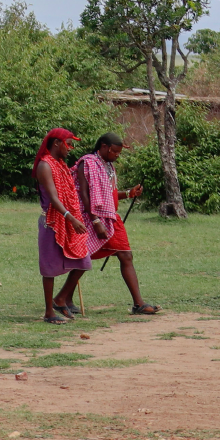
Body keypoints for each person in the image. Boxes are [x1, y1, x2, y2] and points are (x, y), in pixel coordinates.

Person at [75, 134, 159, 315]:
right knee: (84, 257)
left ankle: (138, 304)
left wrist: (129, 193)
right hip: (93, 218)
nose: (117, 156)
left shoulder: (108, 166)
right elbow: (84, 194)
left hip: (111, 218)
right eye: (115, 152)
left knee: (125, 255)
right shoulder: (88, 163)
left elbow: (108, 195)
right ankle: (61, 298)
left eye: (119, 153)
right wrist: (96, 221)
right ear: (104, 147)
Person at [34, 128, 91, 323]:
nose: (70, 148)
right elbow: (53, 198)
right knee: (49, 268)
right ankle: (49, 312)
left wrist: (75, 216)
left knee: (83, 261)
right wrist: (71, 218)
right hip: (52, 221)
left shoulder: (62, 165)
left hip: (69, 219)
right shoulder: (45, 165)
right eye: (68, 143)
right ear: (57, 143)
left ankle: (61, 298)